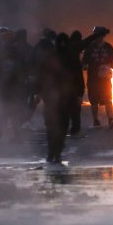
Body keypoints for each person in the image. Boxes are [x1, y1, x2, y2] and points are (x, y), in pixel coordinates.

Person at [36, 33, 79, 164]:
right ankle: (55, 152)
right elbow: (77, 78)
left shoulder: (51, 58)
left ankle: (54, 152)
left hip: (58, 98)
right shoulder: (71, 58)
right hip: (59, 98)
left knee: (54, 127)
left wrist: (38, 92)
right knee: (58, 127)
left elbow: (40, 76)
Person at [83, 26, 113, 128]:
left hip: (105, 79)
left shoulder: (108, 47)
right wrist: (85, 65)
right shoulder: (89, 48)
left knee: (108, 98)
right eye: (97, 36)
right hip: (93, 78)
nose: (99, 38)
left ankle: (111, 119)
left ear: (103, 36)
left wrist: (108, 66)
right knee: (94, 100)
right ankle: (95, 120)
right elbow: (84, 63)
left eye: (100, 36)